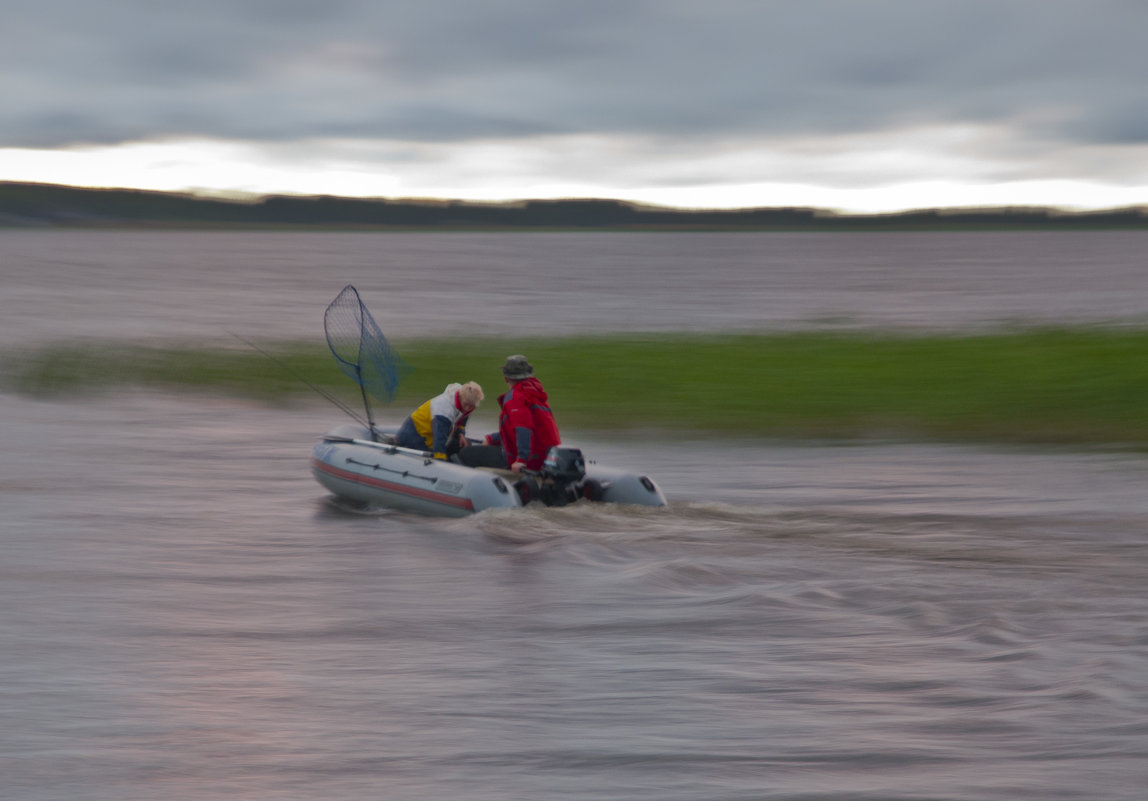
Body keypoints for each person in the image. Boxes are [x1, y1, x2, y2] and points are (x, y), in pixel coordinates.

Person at [458, 355, 561, 473]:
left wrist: (522, 460)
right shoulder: (536, 395)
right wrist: (492, 439)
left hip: (532, 461)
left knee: (466, 454)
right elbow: (518, 430)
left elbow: (523, 429)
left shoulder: (516, 397)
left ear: (506, 378)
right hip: (547, 457)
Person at [394, 381, 484, 459]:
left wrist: (460, 434)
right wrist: (440, 459)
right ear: (460, 397)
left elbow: (463, 419)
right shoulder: (444, 410)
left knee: (460, 445)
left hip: (430, 434)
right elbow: (439, 438)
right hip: (415, 434)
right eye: (466, 404)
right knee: (436, 455)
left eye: (471, 406)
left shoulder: (466, 402)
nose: (467, 408)